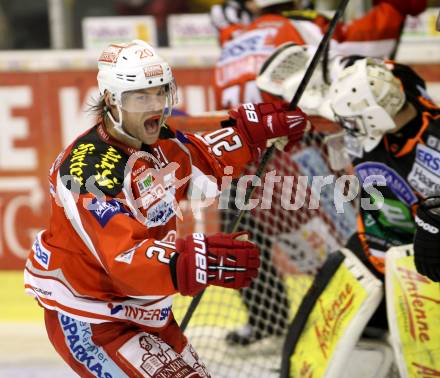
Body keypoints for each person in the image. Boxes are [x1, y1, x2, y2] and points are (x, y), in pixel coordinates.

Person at [23, 39, 309, 377]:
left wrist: (249, 135)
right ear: (111, 100)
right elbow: (122, 256)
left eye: (160, 92)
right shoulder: (88, 171)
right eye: (140, 97)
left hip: (147, 310)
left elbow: (202, 163)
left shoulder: (160, 143)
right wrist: (187, 260)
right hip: (94, 317)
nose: (155, 105)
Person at [210, 0, 427, 346]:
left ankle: (270, 322)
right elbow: (370, 50)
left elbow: (222, 18)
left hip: (242, 164)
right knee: (340, 249)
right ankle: (374, 326)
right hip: (298, 162)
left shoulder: (234, 34)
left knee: (240, 235)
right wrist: (394, 9)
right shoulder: (306, 26)